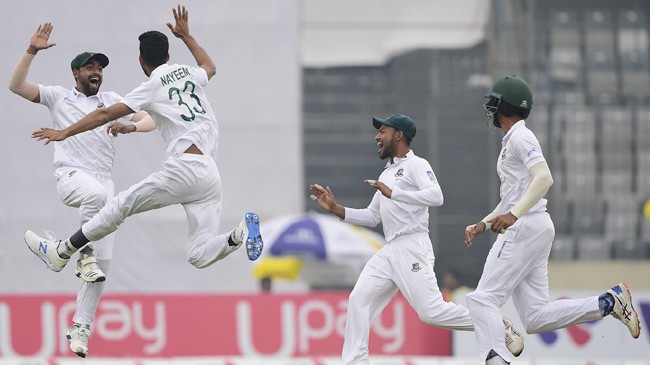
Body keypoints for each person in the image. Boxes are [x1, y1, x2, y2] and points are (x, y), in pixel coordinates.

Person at [24, 1, 263, 328]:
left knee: (119, 205)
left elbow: (106, 113)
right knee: (199, 254)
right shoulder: (189, 73)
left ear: (141, 61)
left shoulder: (152, 84)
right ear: (167, 55)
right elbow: (210, 66)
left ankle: (64, 250)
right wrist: (187, 37)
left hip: (183, 168)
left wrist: (65, 132)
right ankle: (237, 234)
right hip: (209, 174)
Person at [309, 114, 524, 365]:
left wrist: (394, 192)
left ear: (398, 135)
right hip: (389, 249)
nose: (377, 136)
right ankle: (355, 362)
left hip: (413, 245)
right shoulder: (387, 172)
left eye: (383, 131)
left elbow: (436, 196)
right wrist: (336, 209)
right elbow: (372, 216)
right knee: (359, 299)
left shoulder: (417, 165)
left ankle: (493, 323)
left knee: (430, 313)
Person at [463, 75, 641, 364]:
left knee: (481, 299)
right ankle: (609, 302)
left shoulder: (521, 136)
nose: (491, 110)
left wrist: (513, 215)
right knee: (534, 318)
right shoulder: (513, 140)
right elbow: (511, 197)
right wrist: (485, 223)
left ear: (505, 106)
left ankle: (495, 359)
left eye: (494, 103)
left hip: (524, 226)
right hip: (535, 225)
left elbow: (544, 178)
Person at [8, 22, 156, 358]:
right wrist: (31, 51)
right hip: (72, 176)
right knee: (97, 200)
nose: (97, 71)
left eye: (100, 67)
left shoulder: (113, 100)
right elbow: (15, 86)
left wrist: (132, 126)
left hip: (104, 179)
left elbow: (152, 118)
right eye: (90, 66)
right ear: (76, 72)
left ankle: (81, 328)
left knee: (101, 271)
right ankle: (80, 253)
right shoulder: (59, 96)